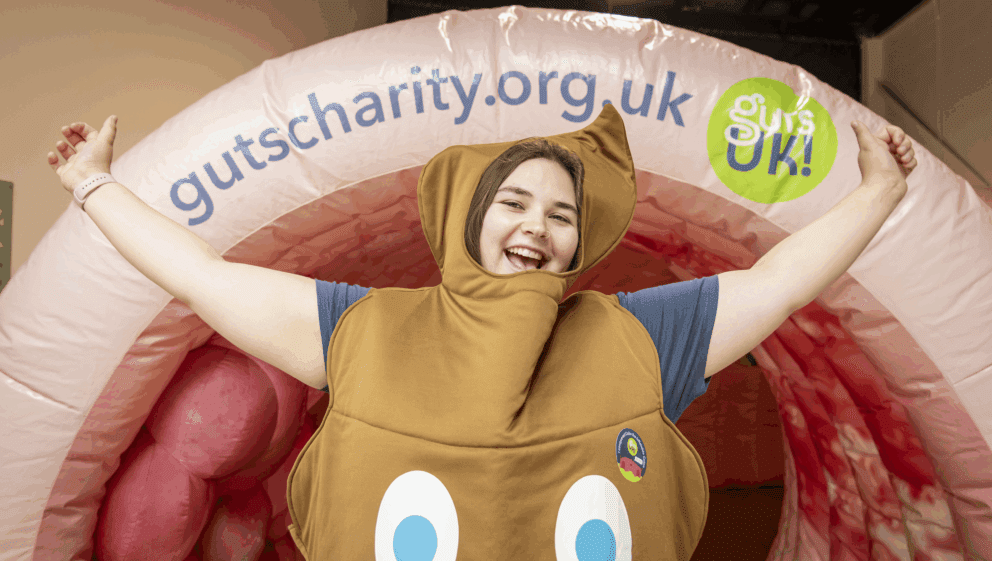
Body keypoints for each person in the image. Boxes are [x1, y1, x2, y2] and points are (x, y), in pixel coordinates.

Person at [47, 106, 915, 559]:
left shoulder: (640, 337)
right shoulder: (362, 327)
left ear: (583, 240)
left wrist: (878, 189)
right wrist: (93, 185)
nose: (537, 227)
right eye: (513, 202)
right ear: (467, 215)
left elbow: (776, 281)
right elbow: (204, 277)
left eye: (562, 213)